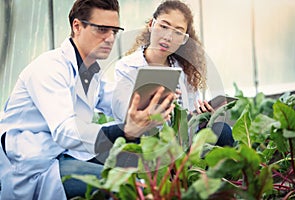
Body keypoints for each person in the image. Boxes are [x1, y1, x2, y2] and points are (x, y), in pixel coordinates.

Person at [0, 0, 175, 199]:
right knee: (126, 185)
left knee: (146, 173)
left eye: (114, 31)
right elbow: (65, 131)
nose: (110, 38)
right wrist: (125, 130)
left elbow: (116, 103)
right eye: (102, 29)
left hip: (65, 154)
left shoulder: (90, 72)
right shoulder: (49, 68)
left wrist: (152, 103)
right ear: (77, 26)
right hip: (34, 164)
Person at [112, 0, 234, 147]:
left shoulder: (184, 70)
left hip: (182, 145)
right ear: (151, 25)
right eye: (163, 26)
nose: (168, 37)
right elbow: (123, 118)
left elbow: (188, 122)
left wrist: (201, 118)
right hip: (147, 143)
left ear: (184, 39)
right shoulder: (126, 67)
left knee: (223, 131)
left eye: (177, 32)